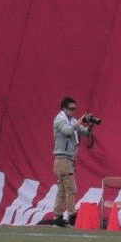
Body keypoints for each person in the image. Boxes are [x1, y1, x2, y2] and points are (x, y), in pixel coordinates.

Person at [51, 96, 94, 227]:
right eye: (71, 109)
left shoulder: (73, 121)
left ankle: (58, 217)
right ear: (64, 109)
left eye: (75, 109)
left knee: (63, 190)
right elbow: (68, 131)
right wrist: (80, 121)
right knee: (71, 189)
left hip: (67, 159)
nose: (74, 111)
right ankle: (72, 215)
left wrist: (90, 124)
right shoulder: (60, 120)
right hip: (62, 159)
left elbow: (84, 132)